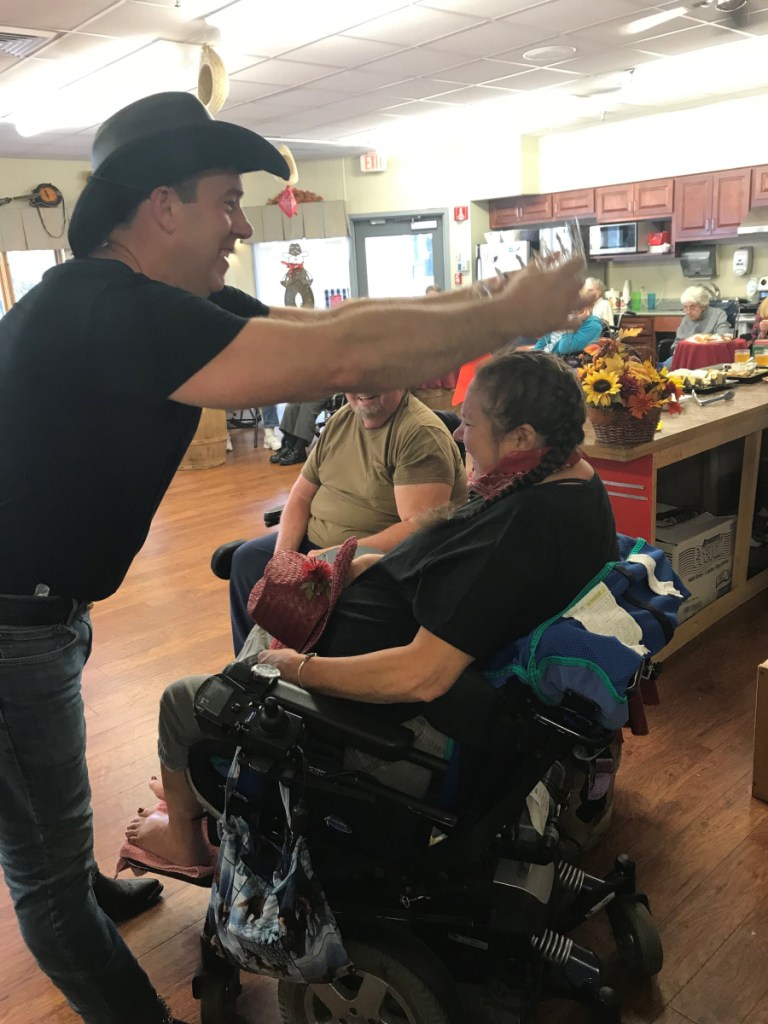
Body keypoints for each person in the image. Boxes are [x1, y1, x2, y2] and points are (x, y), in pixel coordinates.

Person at [0, 88, 584, 1024]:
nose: (240, 224)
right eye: (225, 200)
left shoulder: (167, 303)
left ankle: (82, 881)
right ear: (161, 205)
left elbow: (327, 333)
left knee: (44, 797)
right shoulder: (105, 309)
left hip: (43, 607)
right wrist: (503, 316)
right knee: (39, 879)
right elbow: (348, 357)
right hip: (7, 617)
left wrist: (485, 303)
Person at [121, 351, 618, 874]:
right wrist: (357, 568)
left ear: (520, 437)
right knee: (270, 602)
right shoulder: (562, 480)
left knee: (182, 701)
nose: (458, 437)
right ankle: (199, 781)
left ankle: (185, 830)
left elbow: (421, 675)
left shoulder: (521, 531)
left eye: (469, 424)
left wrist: (299, 669)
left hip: (394, 728)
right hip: (399, 669)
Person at [229, 389, 467, 651]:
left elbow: (419, 529)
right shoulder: (342, 419)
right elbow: (300, 496)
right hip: (316, 546)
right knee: (247, 560)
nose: (364, 388)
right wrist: (282, 560)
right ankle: (250, 676)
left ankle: (283, 672)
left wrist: (338, 556)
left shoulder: (420, 433)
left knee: (310, 603)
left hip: (367, 561)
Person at [661, 285, 731, 367]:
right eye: (685, 307)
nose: (688, 311)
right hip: (687, 358)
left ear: (703, 305)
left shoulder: (719, 315)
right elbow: (677, 342)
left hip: (709, 359)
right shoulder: (686, 319)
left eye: (692, 307)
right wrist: (676, 350)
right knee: (665, 367)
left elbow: (723, 337)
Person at [268, 397, 330, 465]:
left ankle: (299, 449)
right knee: (293, 405)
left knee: (307, 406)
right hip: (312, 390)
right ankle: (290, 445)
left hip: (327, 390)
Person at [533, 303, 604, 356]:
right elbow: (542, 342)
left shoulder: (593, 326)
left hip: (561, 364)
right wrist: (534, 356)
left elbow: (564, 349)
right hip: (545, 359)